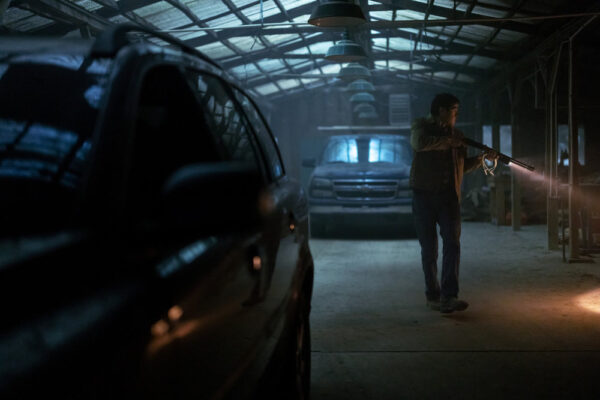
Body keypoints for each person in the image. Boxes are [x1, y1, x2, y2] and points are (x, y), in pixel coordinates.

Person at [410, 93, 497, 314]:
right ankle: (433, 294)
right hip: (424, 196)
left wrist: (481, 160)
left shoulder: (458, 135)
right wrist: (450, 142)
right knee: (429, 249)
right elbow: (419, 144)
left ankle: (449, 296)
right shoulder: (421, 126)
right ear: (440, 110)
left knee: (452, 245)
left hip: (449, 197)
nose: (456, 115)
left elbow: (461, 166)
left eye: (457, 111)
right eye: (452, 110)